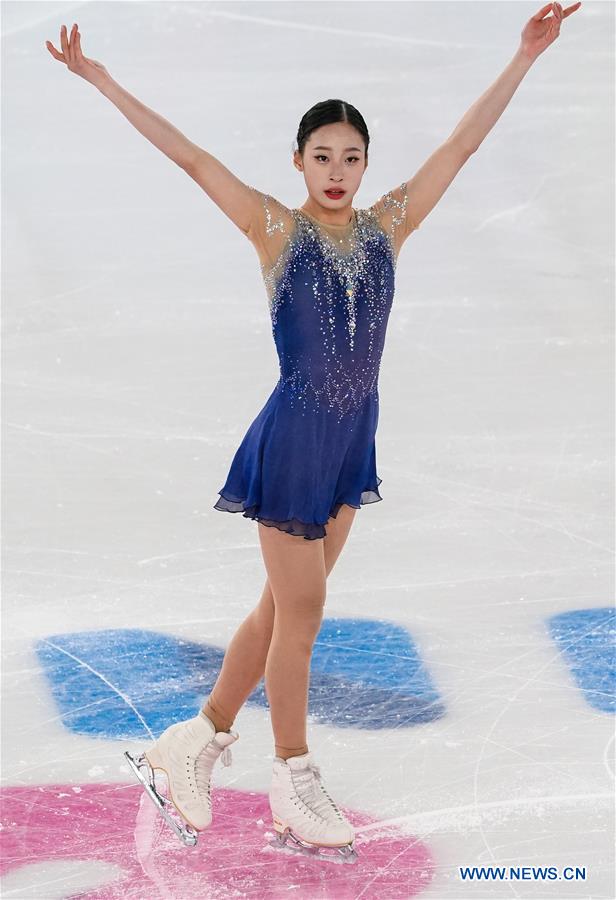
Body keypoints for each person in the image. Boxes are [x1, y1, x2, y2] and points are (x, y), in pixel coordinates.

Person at [46, 2, 580, 862]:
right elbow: (190, 158)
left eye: (352, 157)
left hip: (348, 441)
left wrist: (523, 56)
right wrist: (103, 78)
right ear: (297, 161)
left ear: (368, 164)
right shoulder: (276, 229)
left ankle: (196, 741)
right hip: (294, 439)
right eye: (322, 156)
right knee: (304, 614)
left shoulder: (388, 228)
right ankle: (293, 779)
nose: (338, 171)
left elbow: (462, 147)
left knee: (280, 607)